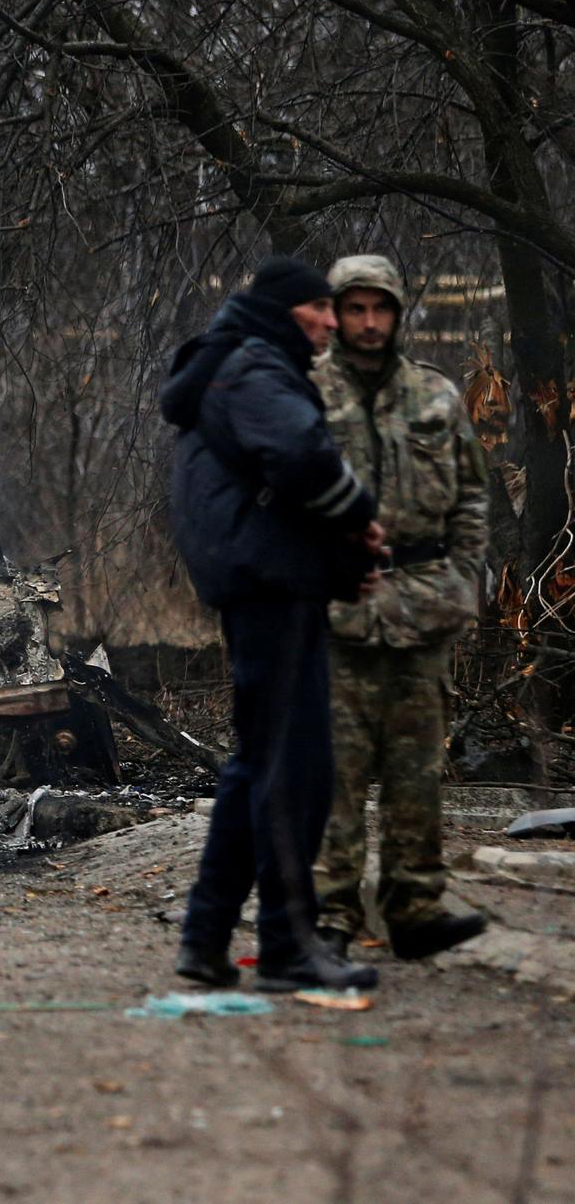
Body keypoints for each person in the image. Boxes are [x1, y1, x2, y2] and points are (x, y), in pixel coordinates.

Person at [161, 255, 386, 993]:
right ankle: (289, 947)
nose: (330, 320)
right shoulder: (255, 365)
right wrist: (360, 517)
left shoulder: (233, 363)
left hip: (260, 578)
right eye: (318, 309)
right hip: (270, 584)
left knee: (259, 761)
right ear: (285, 312)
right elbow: (298, 455)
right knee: (298, 768)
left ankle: (205, 935)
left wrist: (340, 552)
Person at [314, 255, 490, 961]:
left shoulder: (437, 397)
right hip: (336, 609)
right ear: (336, 313)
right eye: (354, 308)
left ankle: (415, 906)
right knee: (335, 772)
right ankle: (330, 914)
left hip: (423, 604)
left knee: (418, 767)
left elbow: (473, 496)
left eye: (378, 308)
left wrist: (463, 579)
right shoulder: (305, 395)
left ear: (397, 312)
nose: (367, 322)